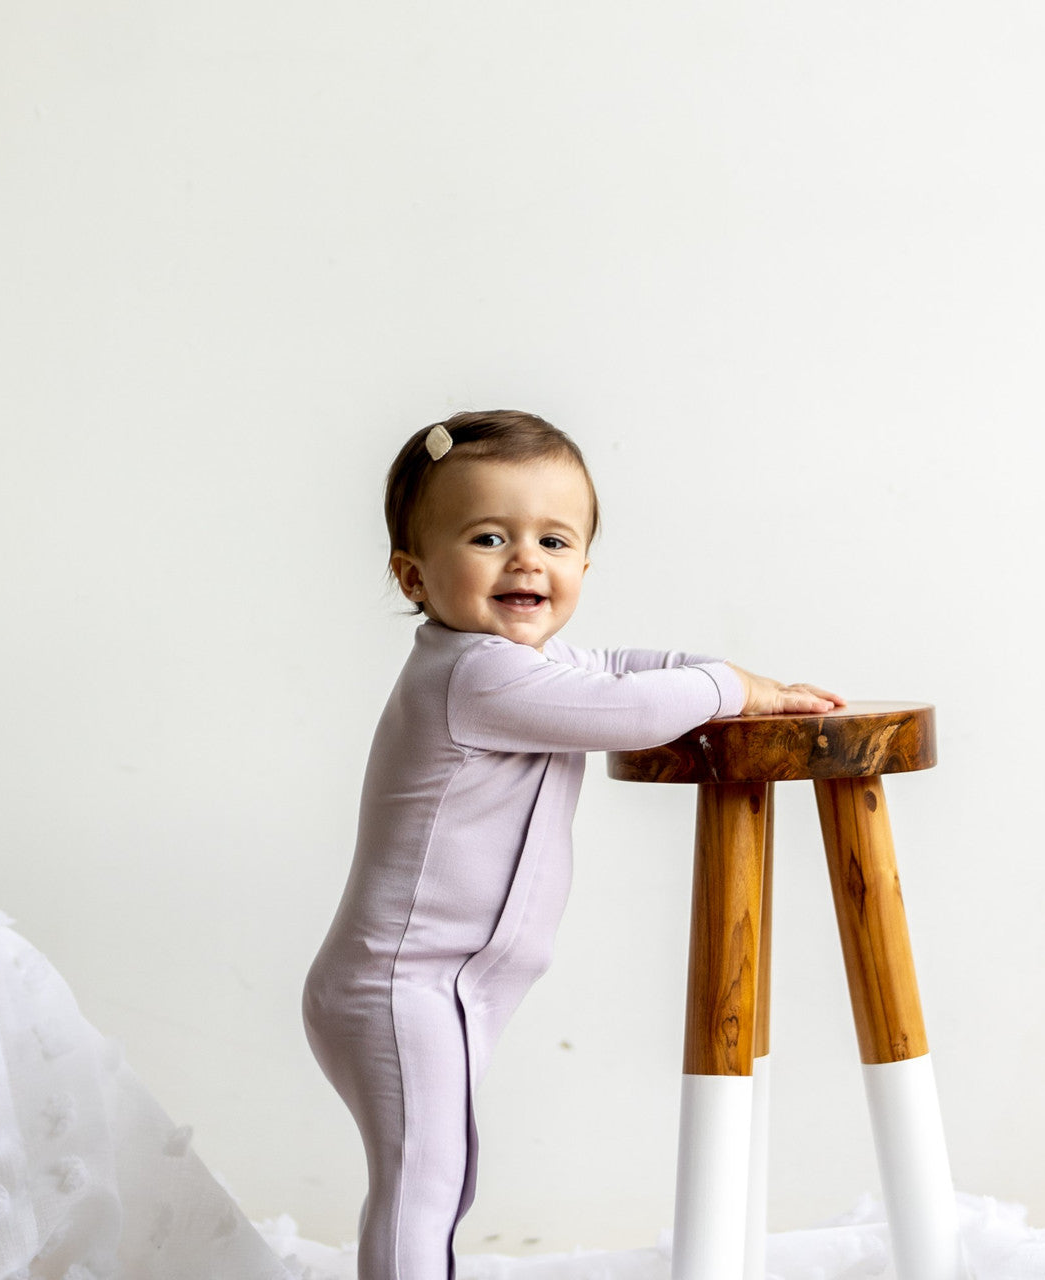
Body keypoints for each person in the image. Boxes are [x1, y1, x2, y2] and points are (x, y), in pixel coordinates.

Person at [302, 410, 844, 1279]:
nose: (527, 559)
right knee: (424, 1180)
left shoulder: (528, 667)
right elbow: (636, 708)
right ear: (414, 575)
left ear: (584, 566)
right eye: (488, 537)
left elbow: (629, 668)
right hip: (401, 983)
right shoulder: (474, 673)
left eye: (555, 540)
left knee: (442, 1175)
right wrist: (729, 685)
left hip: (444, 984)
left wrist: (751, 687)